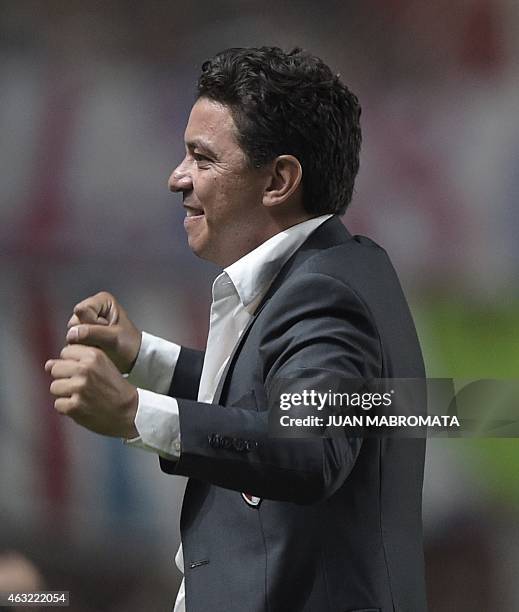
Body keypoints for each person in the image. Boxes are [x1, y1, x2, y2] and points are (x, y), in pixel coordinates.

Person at [45, 47, 427, 611]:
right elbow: (276, 401)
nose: (177, 179)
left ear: (279, 180)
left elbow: (309, 445)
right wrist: (145, 357)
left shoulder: (324, 293)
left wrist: (135, 413)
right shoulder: (337, 268)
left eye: (202, 158)